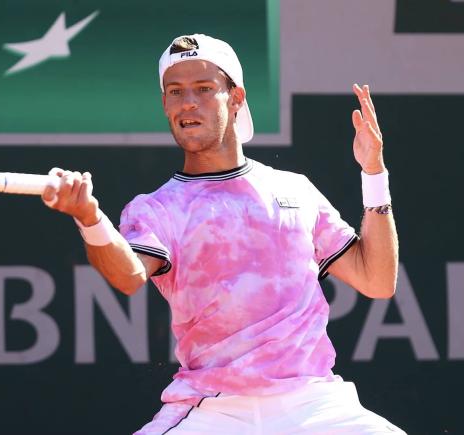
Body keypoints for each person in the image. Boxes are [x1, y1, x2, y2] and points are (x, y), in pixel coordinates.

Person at [43, 34, 404, 434]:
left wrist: (374, 173)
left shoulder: (295, 190)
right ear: (165, 104)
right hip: (215, 410)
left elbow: (378, 280)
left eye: (203, 89)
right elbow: (128, 275)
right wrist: (90, 217)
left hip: (316, 404)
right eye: (175, 92)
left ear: (236, 98)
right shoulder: (157, 209)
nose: (188, 103)